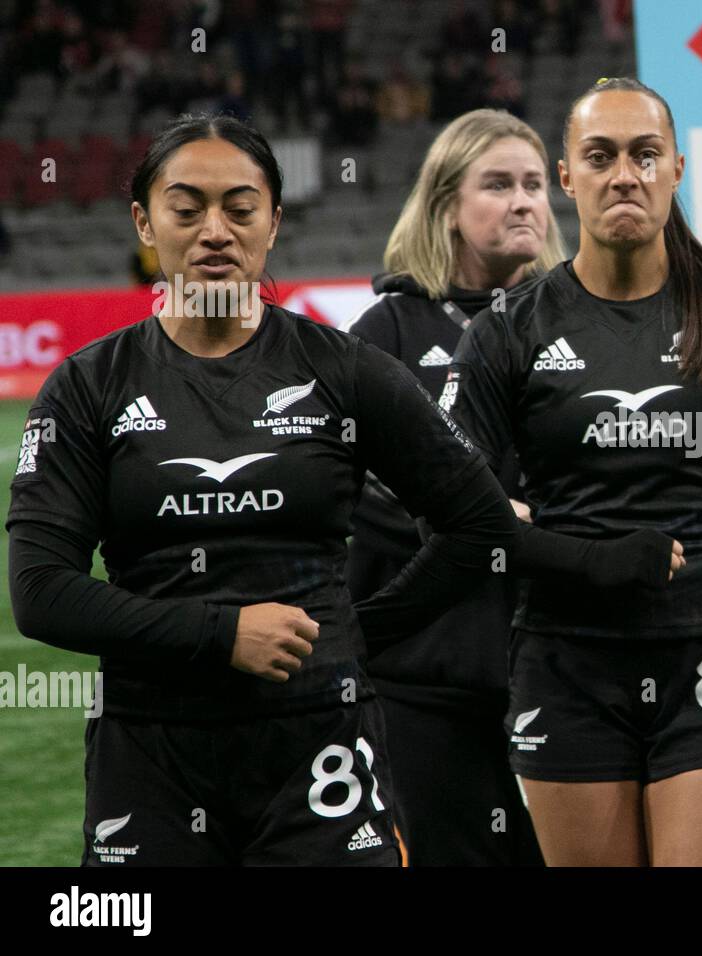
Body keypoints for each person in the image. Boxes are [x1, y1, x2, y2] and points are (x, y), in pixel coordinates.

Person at [6, 114, 518, 866]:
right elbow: (41, 591)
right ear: (145, 222)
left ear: (273, 223)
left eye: (240, 209)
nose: (215, 230)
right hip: (149, 758)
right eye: (187, 209)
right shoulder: (86, 388)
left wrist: (356, 631)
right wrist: (221, 635)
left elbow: (479, 524)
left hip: (319, 749)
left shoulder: (346, 371)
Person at [440, 77, 702, 866]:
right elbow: (455, 510)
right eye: (601, 156)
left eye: (646, 155)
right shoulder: (508, 332)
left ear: (677, 167)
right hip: (562, 658)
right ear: (567, 175)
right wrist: (563, 553)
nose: (626, 175)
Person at [343, 108, 567, 866]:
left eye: (535, 185)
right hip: (427, 677)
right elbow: (347, 489)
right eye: (497, 184)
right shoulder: (385, 333)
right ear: (445, 205)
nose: (523, 201)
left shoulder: (576, 321)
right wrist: (468, 516)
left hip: (568, 662)